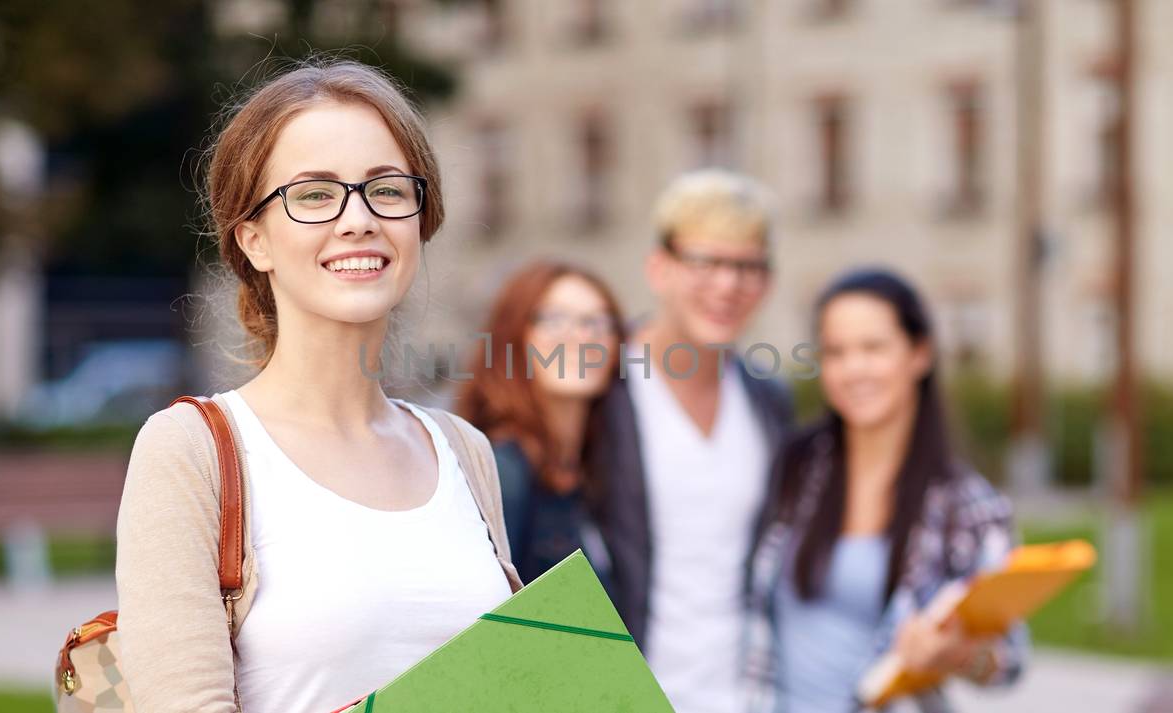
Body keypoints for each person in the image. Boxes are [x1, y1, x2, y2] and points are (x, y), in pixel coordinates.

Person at [113, 59, 522, 713]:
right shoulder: (191, 450)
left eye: (387, 190)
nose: (359, 219)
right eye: (314, 194)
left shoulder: (463, 449)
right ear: (254, 240)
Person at [743, 268, 1026, 713]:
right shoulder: (795, 466)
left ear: (919, 354)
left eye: (873, 348)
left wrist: (956, 655)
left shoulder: (967, 504)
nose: (853, 370)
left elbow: (1008, 661)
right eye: (835, 352)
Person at [584, 169, 795, 713]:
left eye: (747, 266)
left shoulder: (767, 400)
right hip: (620, 696)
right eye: (706, 262)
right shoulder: (599, 387)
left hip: (741, 698)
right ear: (660, 268)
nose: (728, 285)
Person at [458, 261, 624, 585]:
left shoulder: (595, 474)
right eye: (554, 319)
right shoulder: (502, 473)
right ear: (513, 337)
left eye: (597, 321)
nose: (581, 336)